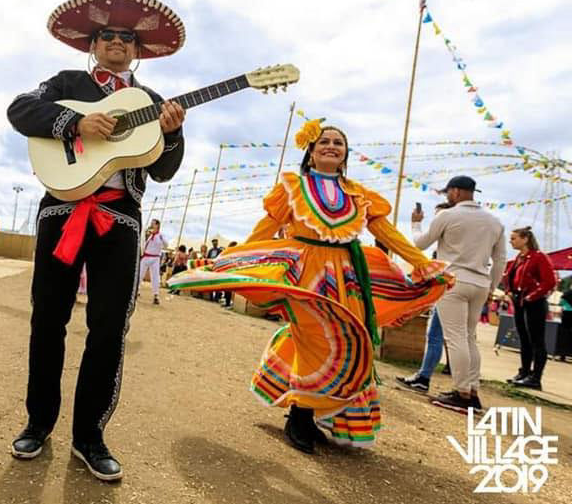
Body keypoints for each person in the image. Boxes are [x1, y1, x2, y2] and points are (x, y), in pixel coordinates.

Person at [170, 118, 450, 454]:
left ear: (345, 154)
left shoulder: (359, 194)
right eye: (324, 142)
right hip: (306, 273)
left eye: (338, 143)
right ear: (311, 152)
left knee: (347, 338)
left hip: (347, 276)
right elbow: (267, 227)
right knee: (315, 337)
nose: (331, 146)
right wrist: (234, 258)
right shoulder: (293, 187)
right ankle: (300, 414)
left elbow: (387, 233)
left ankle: (313, 412)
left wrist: (421, 263)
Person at [6, 0, 186, 481]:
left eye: (127, 38)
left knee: (109, 329)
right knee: (49, 319)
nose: (117, 44)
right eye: (108, 35)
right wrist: (76, 121)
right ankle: (38, 422)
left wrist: (172, 133)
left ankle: (90, 435)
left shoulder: (151, 102)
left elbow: (165, 170)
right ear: (94, 42)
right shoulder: (66, 81)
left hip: (121, 220)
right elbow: (19, 110)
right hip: (61, 211)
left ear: (138, 50)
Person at [412, 175, 506, 413]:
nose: (447, 197)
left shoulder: (448, 215)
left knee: (455, 338)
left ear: (455, 192)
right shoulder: (494, 221)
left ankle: (462, 393)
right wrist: (491, 287)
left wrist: (416, 223)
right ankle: (472, 390)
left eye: (448, 193)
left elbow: (420, 244)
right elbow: (500, 260)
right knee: (469, 337)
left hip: (454, 280)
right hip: (480, 282)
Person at [396, 201, 455, 393]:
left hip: (449, 286)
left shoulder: (447, 248)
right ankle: (467, 387)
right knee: (462, 337)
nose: (436, 221)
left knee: (435, 335)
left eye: (439, 217)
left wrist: (416, 223)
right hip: (468, 285)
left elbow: (419, 243)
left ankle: (424, 377)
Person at [500, 227, 556, 390]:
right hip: (519, 301)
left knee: (536, 339)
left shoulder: (539, 257)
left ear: (525, 239)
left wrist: (532, 296)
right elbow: (509, 277)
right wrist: (509, 292)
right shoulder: (519, 258)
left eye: (514, 238)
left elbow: (549, 281)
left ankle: (535, 377)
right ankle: (524, 371)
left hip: (534, 302)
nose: (511, 241)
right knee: (524, 338)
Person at [140, 219, 167, 305]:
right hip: (146, 256)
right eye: (151, 224)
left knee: (155, 277)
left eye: (153, 224)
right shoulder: (149, 234)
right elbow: (143, 245)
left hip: (155, 258)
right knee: (140, 274)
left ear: (157, 225)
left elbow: (166, 245)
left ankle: (156, 295)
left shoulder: (161, 235)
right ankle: (136, 291)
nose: (151, 225)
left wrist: (162, 239)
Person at [559, 287, 572, 363]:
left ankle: (562, 355)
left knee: (564, 334)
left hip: (566, 314)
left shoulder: (566, 293)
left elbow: (561, 302)